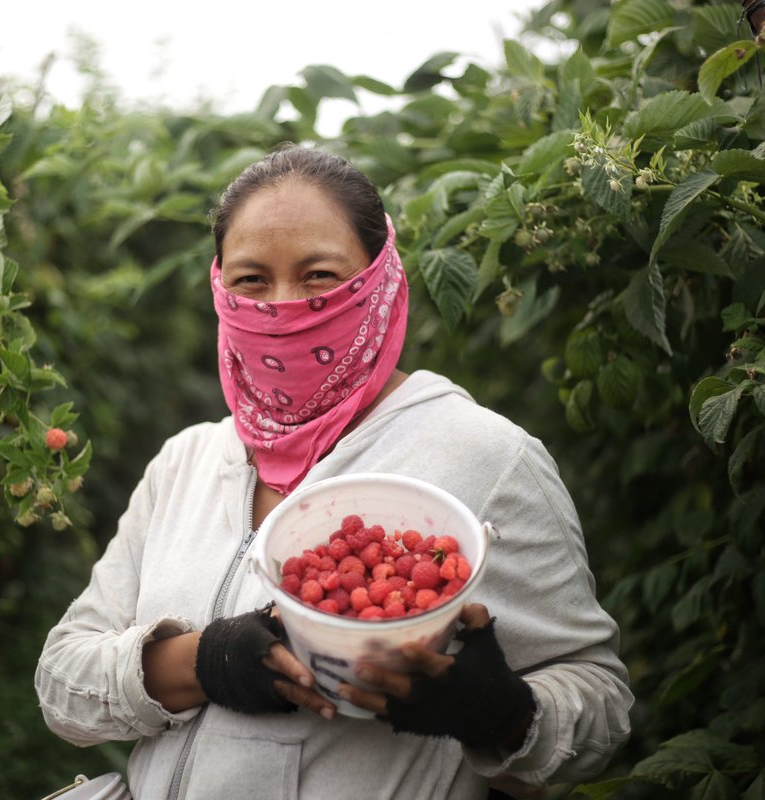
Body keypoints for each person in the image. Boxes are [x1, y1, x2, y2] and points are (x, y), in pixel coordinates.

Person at [35, 146, 632, 799]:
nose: (283, 307)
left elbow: (600, 709)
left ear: (380, 276)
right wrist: (199, 663)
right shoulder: (189, 460)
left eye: (319, 275)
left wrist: (502, 713)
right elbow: (63, 685)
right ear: (218, 287)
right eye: (251, 281)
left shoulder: (484, 455)